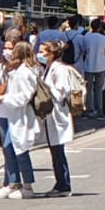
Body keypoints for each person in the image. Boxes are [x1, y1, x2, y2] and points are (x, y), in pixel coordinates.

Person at [0, 39, 41, 199]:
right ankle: (13, 182)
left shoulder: (25, 73)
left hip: (20, 115)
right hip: (13, 115)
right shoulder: (18, 71)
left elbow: (23, 97)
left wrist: (2, 99)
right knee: (9, 147)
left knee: (20, 150)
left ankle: (27, 186)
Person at [36, 40, 76, 195]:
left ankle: (63, 185)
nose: (40, 54)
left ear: (52, 53)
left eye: (43, 51)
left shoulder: (60, 69)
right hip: (51, 115)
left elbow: (62, 92)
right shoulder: (48, 68)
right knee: (55, 150)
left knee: (58, 150)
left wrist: (45, 87)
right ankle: (61, 183)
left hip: (58, 113)